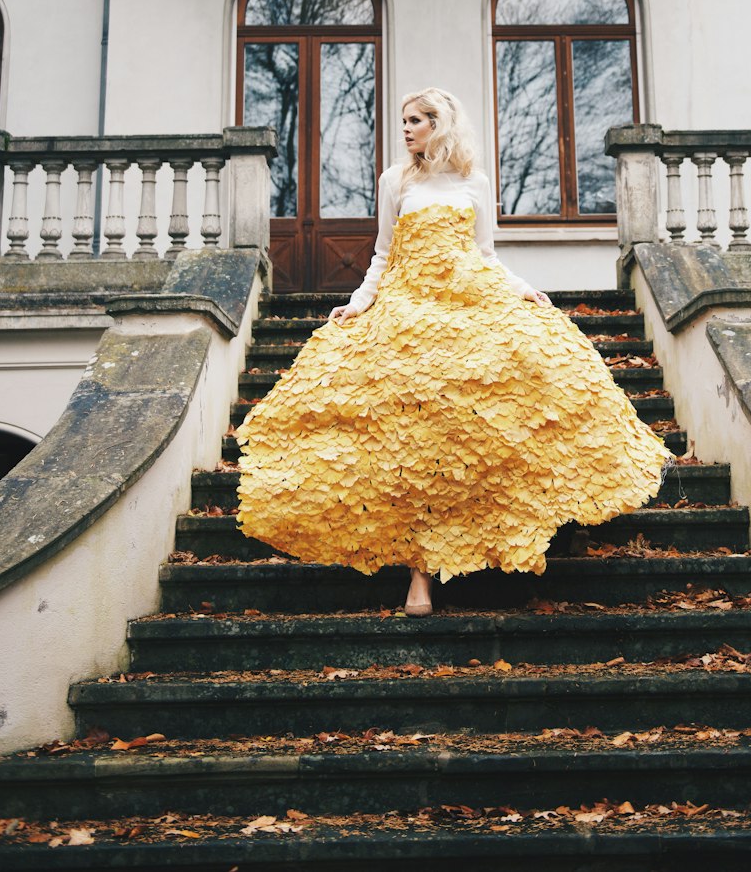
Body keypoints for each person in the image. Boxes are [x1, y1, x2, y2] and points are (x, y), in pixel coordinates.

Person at [236, 87, 670, 617]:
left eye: (416, 120)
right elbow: (382, 252)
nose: (407, 128)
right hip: (408, 306)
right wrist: (357, 303)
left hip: (470, 298)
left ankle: (518, 525)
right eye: (405, 120)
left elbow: (484, 254)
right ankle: (419, 572)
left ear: (440, 125)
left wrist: (522, 288)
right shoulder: (394, 181)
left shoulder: (474, 182)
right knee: (417, 424)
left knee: (529, 373)